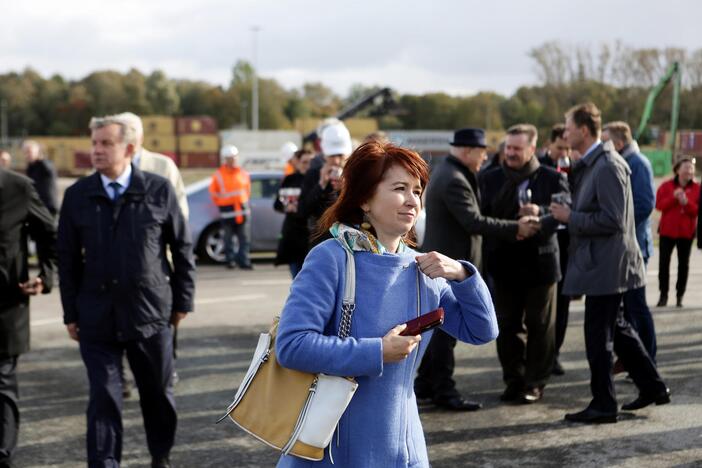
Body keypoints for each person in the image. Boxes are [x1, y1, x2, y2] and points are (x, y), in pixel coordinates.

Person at [275, 141, 498, 467]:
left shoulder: (425, 268)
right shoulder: (331, 259)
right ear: (364, 199)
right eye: (400, 188)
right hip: (331, 451)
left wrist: (463, 274)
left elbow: (482, 331)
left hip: (403, 448)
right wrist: (377, 352)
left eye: (417, 190)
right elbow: (292, 346)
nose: (413, 200)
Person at [57, 114, 195, 467]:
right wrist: (70, 313)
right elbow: (67, 260)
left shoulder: (158, 190)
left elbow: (181, 248)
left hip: (149, 313)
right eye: (94, 143)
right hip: (96, 316)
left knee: (157, 395)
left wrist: (182, 301)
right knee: (103, 397)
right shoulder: (77, 196)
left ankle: (160, 455)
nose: (97, 150)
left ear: (129, 148)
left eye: (106, 143)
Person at [551, 102, 669, 424]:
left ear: (585, 130)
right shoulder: (594, 164)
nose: (565, 132)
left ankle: (604, 404)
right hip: (603, 263)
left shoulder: (608, 165)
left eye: (569, 126)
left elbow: (613, 220)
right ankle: (654, 386)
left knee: (598, 335)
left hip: (608, 265)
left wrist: (570, 217)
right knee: (618, 328)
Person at [414, 128, 539, 411]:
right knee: (444, 332)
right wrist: (516, 227)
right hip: (448, 269)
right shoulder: (454, 179)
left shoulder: (451, 172)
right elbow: (474, 221)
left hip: (445, 266)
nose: (485, 158)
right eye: (482, 152)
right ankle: (444, 391)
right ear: (469, 151)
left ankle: (426, 384)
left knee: (438, 327)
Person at [480, 124, 569, 404]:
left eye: (517, 148)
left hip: (541, 264)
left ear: (532, 149)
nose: (511, 153)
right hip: (504, 263)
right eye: (508, 147)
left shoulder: (553, 178)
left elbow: (563, 217)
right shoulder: (489, 178)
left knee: (540, 324)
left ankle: (535, 382)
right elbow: (481, 217)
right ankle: (513, 380)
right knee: (507, 325)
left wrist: (540, 213)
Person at [0, 167, 56, 468]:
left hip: (5, 308)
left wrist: (45, 276)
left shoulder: (18, 188)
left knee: (2, 387)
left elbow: (50, 234)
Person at [602, 121, 657, 359]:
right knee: (627, 309)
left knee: (636, 307)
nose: (603, 146)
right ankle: (634, 361)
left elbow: (645, 204)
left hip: (635, 246)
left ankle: (648, 360)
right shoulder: (627, 160)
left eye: (606, 141)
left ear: (619, 142)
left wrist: (618, 223)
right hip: (625, 246)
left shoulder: (638, 163)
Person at [115, 112, 189, 219]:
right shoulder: (104, 167)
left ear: (141, 138)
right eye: (121, 135)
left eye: (130, 133)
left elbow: (179, 206)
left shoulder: (164, 166)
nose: (126, 139)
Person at [298, 121, 353, 249]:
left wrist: (344, 189)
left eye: (340, 155)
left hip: (350, 242)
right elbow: (302, 211)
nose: (336, 160)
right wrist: (321, 185)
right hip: (320, 242)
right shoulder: (313, 174)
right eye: (331, 155)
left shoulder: (356, 175)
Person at [655, 157, 699, 308]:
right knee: (664, 264)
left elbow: (696, 211)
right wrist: (673, 198)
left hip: (686, 233)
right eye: (686, 167)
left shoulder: (697, 188)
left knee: (683, 265)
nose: (689, 171)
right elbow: (659, 205)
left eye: (692, 168)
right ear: (678, 169)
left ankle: (680, 295)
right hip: (667, 231)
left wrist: (687, 203)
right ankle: (663, 295)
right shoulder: (666, 186)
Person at [209, 145, 253, 270]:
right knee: (228, 239)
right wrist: (222, 203)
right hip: (227, 212)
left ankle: (244, 261)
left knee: (244, 238)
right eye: (229, 158)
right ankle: (230, 260)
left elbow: (247, 190)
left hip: (242, 211)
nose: (232, 160)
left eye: (233, 158)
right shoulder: (218, 175)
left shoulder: (243, 173)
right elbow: (213, 193)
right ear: (225, 159)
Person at [274, 149, 314, 278]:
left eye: (310, 163)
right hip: (292, 234)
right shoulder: (290, 179)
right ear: (297, 163)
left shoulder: (318, 180)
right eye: (304, 162)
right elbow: (277, 204)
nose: (307, 166)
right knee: (296, 278)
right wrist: (288, 207)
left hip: (310, 235)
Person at [22, 140, 59, 216]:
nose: (27, 155)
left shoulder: (44, 164)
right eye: (25, 152)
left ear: (37, 152)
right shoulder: (31, 167)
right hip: (37, 207)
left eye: (29, 152)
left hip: (49, 207)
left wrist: (40, 156)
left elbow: (49, 168)